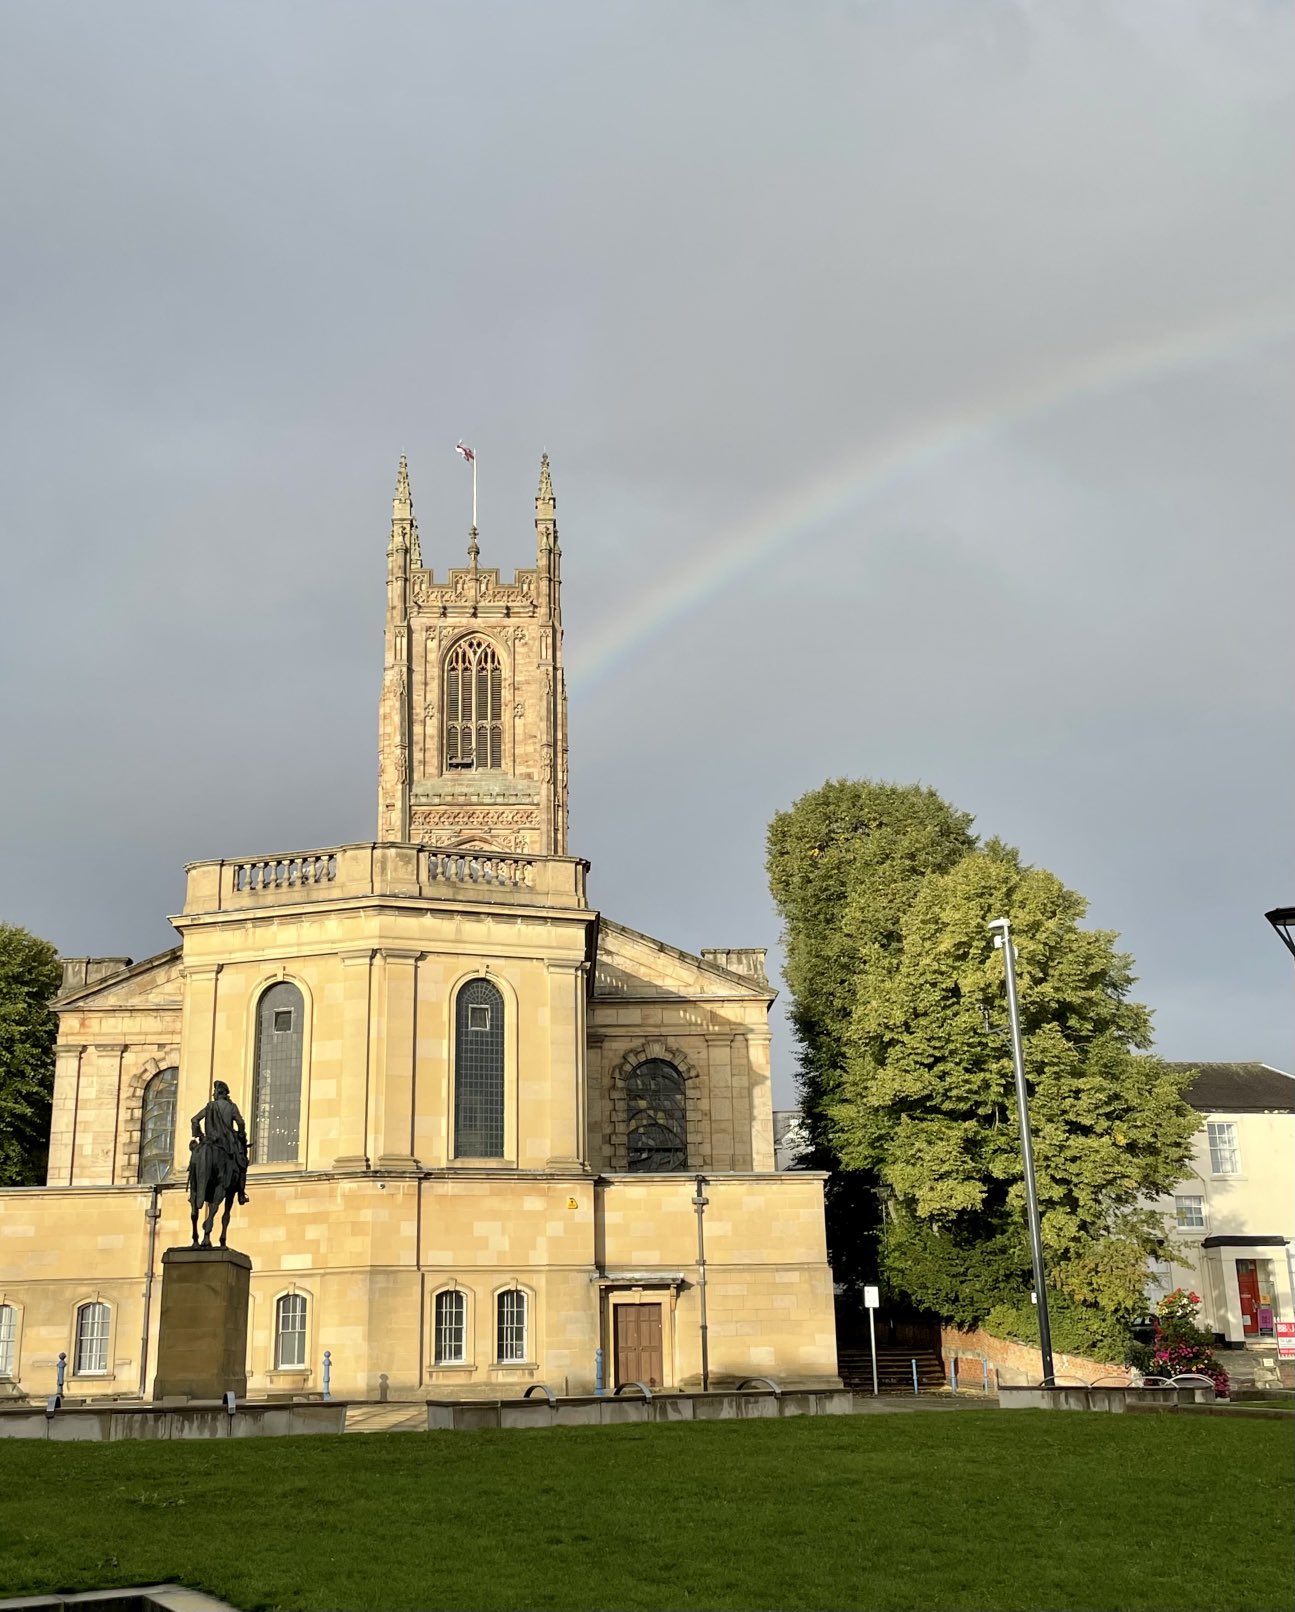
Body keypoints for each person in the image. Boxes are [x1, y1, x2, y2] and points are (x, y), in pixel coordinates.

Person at [190, 1080, 250, 1206]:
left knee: (195, 1156)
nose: (213, 1094)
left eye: (215, 1092)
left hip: (209, 1140)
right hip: (227, 1142)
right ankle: (241, 1194)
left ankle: (193, 1192)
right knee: (242, 1164)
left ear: (218, 1093)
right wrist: (240, 1134)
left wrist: (199, 1134)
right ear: (225, 1093)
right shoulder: (231, 1107)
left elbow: (194, 1120)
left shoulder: (209, 1106)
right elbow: (240, 1123)